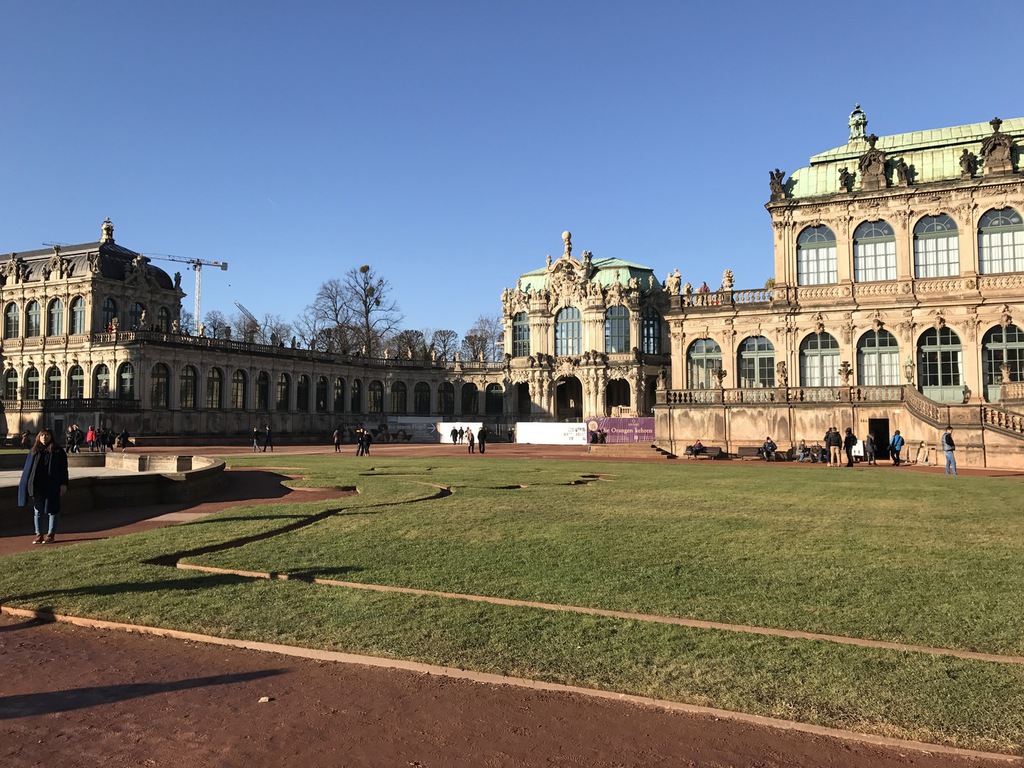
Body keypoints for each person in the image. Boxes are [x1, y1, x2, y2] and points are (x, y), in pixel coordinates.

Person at [18, 428, 69, 544]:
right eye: (42, 435)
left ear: (51, 437)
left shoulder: (58, 451)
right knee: (37, 510)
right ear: (38, 437)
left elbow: (63, 469)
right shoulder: (34, 450)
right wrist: (25, 485)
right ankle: (39, 534)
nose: (44, 438)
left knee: (53, 509)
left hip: (52, 484)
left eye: (46, 435)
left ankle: (51, 534)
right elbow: (27, 469)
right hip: (37, 485)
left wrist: (64, 483)